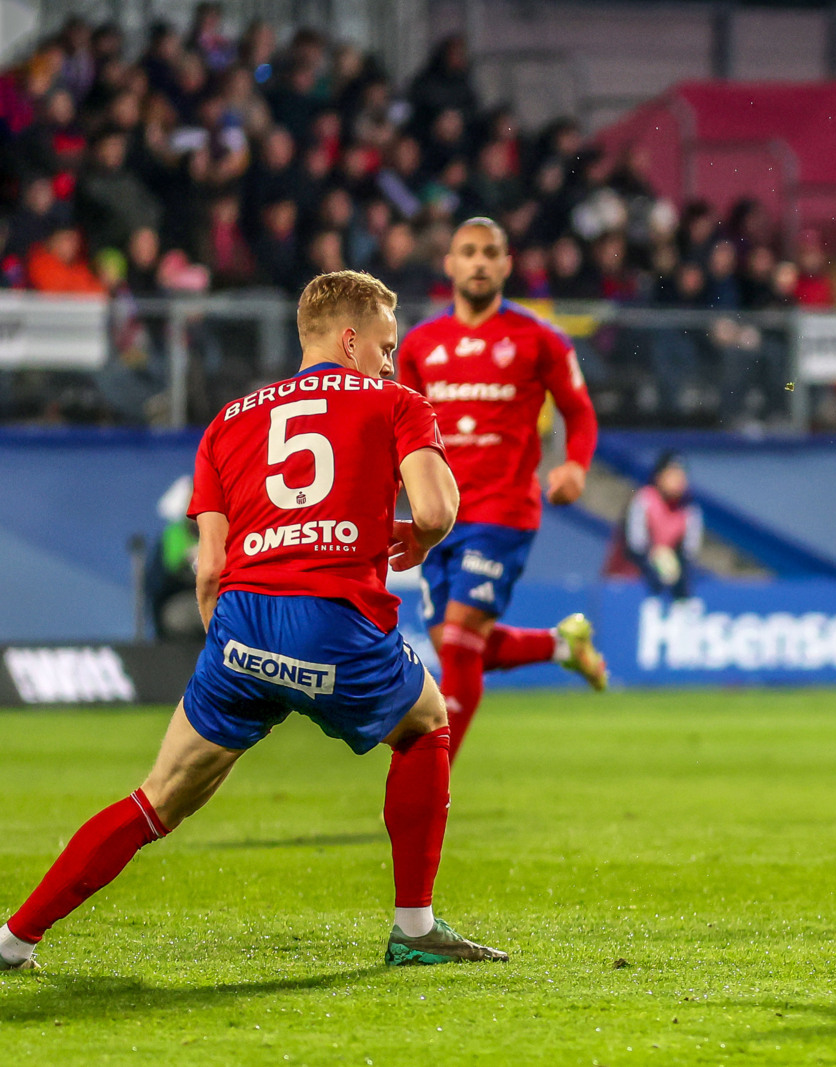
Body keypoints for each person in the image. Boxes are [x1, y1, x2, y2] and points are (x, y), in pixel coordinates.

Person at [0, 270, 507, 971]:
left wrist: (242, 651)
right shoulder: (398, 402)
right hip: (333, 623)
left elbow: (210, 568)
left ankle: (14, 936)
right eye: (385, 345)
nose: (390, 361)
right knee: (426, 723)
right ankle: (414, 927)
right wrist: (419, 539)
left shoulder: (228, 421)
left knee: (158, 797)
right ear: (351, 338)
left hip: (239, 626)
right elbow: (434, 511)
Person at [395, 217, 608, 764]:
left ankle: (432, 776)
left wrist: (576, 468)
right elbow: (402, 430)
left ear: (508, 264)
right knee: (460, 647)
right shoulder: (419, 345)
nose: (480, 262)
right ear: (450, 264)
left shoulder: (540, 339)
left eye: (491, 252)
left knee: (462, 634)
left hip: (504, 510)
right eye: (468, 252)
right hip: (438, 516)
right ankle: (564, 644)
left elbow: (579, 412)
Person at [622, 451, 702, 600]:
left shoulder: (690, 509)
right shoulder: (644, 500)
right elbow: (635, 545)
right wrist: (653, 562)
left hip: (670, 580)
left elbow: (689, 552)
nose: (678, 480)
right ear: (659, 477)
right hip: (634, 579)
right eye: (672, 474)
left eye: (682, 475)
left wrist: (675, 572)